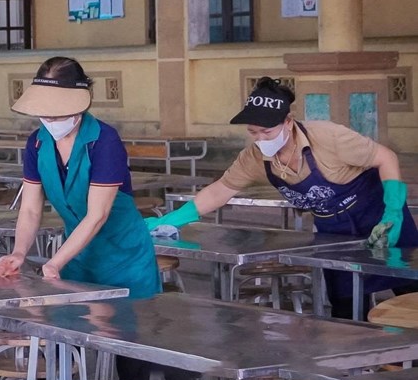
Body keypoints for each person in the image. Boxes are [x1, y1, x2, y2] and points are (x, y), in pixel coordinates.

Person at [146, 76, 418, 319]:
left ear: (288, 122)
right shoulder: (254, 157)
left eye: (267, 131)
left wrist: (393, 213)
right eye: (253, 132)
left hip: (378, 214)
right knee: (346, 306)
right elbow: (221, 190)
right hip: (333, 231)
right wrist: (174, 219)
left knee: (409, 291)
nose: (260, 138)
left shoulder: (328, 136)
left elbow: (385, 157)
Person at [0, 56, 160, 298]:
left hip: (123, 259)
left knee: (120, 320)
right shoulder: (38, 143)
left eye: (56, 113)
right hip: (76, 256)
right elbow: (30, 209)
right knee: (74, 319)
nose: (49, 120)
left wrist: (54, 262)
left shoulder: (104, 141)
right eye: (44, 112)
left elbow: (97, 215)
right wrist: (19, 252)